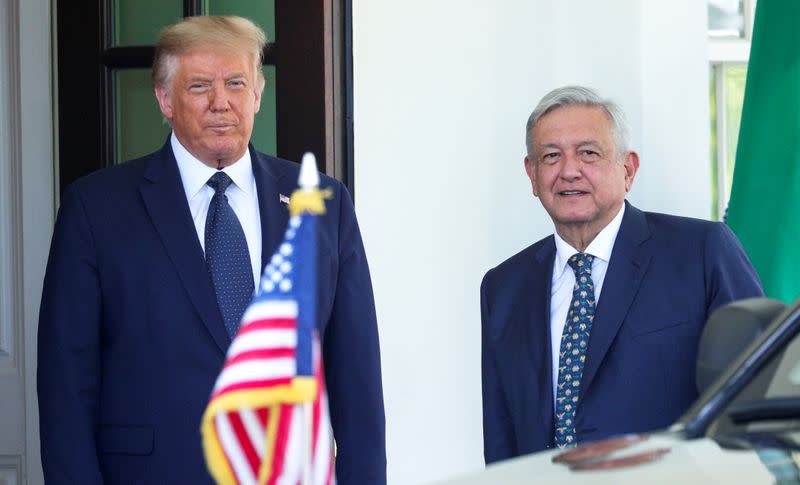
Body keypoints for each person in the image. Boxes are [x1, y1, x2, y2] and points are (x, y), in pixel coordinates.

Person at [37, 16, 385, 484]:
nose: (221, 102)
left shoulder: (325, 203)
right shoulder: (96, 208)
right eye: (200, 86)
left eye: (236, 83)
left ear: (258, 93)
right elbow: (65, 387)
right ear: (164, 99)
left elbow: (357, 380)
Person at [480, 85, 763, 463]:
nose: (568, 171)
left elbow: (755, 399)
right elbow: (502, 440)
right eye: (551, 156)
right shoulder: (503, 288)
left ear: (627, 169)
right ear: (532, 174)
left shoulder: (701, 252)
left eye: (588, 153)